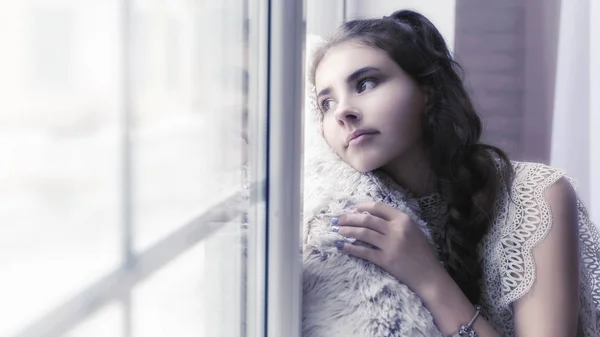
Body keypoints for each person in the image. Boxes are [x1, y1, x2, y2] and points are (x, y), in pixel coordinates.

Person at [301, 9, 600, 337]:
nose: (343, 111)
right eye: (327, 103)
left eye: (366, 83)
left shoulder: (537, 196)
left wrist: (428, 276)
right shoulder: (346, 204)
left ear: (427, 91)